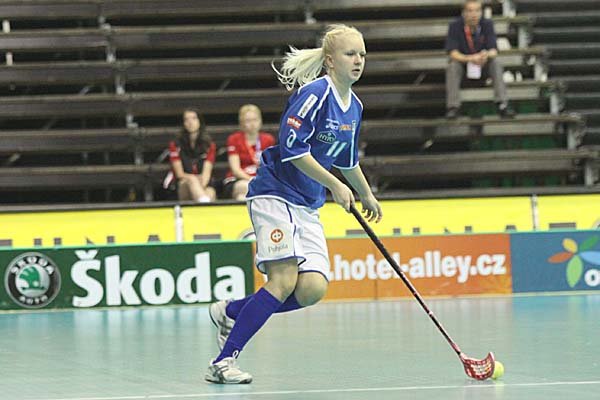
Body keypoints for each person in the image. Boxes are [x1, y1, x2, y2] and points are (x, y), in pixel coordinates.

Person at [205, 24, 383, 384]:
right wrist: (335, 185)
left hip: (307, 203)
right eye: (350, 54)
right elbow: (292, 149)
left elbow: (346, 158)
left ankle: (231, 311)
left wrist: (365, 193)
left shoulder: (355, 106)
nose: (358, 60)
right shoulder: (314, 94)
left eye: (362, 54)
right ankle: (223, 362)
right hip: (275, 193)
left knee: (312, 288)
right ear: (330, 60)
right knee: (283, 280)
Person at [445, 0, 515, 119]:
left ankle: (502, 104)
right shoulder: (455, 26)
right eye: (470, 11)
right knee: (452, 66)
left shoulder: (487, 24)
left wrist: (485, 56)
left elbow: (493, 50)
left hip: (482, 66)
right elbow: (452, 53)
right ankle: (453, 107)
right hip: (464, 67)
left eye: (477, 11)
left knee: (496, 63)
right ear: (464, 13)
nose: (474, 14)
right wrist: (470, 58)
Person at [222, 104, 276, 200]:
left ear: (260, 121)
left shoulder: (268, 139)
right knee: (246, 187)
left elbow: (271, 165)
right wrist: (253, 180)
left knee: (242, 197)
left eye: (255, 120)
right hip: (239, 180)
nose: (252, 124)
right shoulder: (234, 139)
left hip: (261, 180)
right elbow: (236, 170)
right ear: (241, 123)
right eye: (248, 121)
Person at [167, 108, 217, 202]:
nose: (190, 122)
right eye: (187, 119)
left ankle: (204, 201)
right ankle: (202, 200)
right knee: (192, 180)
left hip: (202, 183)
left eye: (194, 118)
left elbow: (206, 173)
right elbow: (179, 174)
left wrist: (200, 185)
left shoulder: (209, 145)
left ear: (199, 121)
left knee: (211, 193)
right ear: (183, 123)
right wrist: (194, 179)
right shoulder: (175, 144)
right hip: (183, 183)